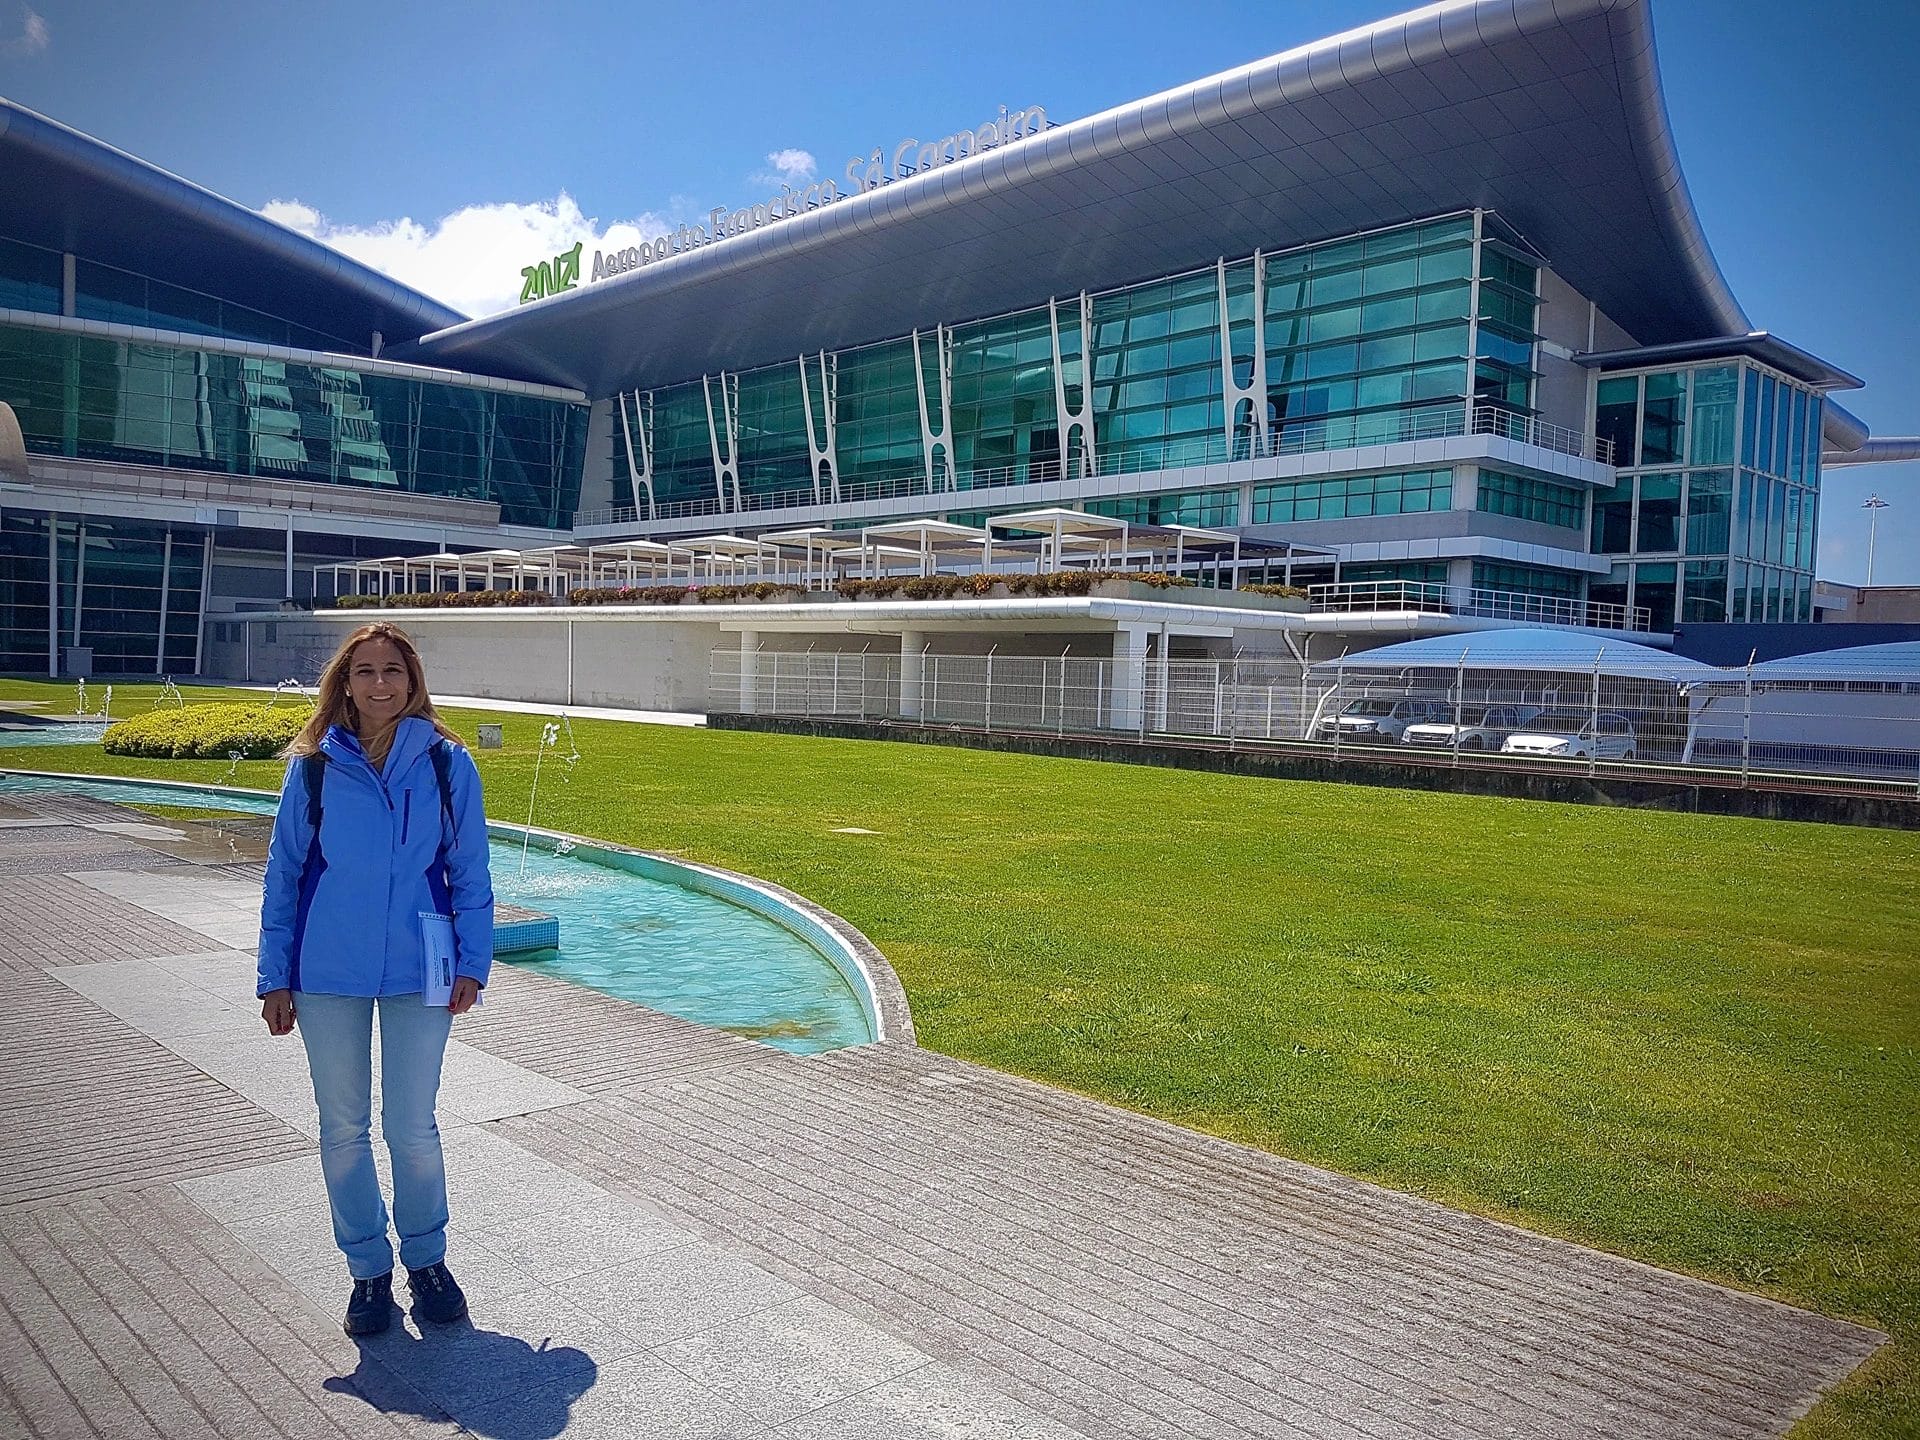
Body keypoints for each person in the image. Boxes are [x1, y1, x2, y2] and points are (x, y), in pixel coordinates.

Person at [256, 622, 494, 1337]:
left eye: (393, 670)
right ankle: (367, 1271)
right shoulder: (315, 767)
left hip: (421, 969)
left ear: (413, 680)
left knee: (412, 1127)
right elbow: (286, 875)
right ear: (345, 682)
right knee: (343, 1128)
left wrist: (474, 963)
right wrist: (275, 975)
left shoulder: (449, 764)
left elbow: (471, 871)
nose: (380, 683)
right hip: (326, 974)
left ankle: (427, 1260)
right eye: (366, 671)